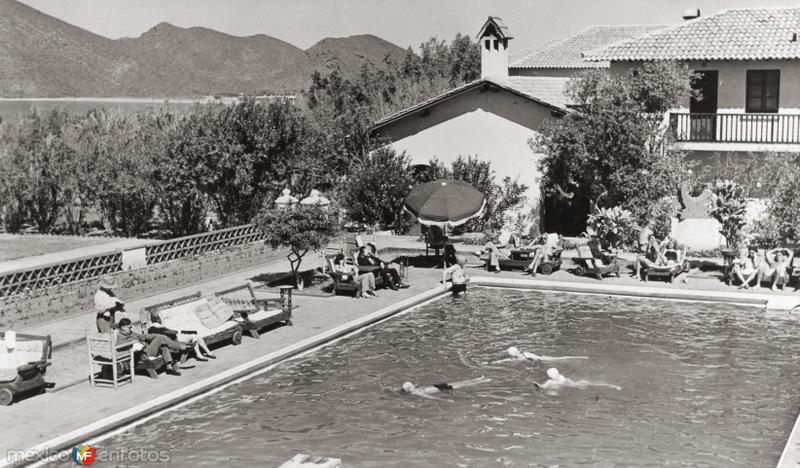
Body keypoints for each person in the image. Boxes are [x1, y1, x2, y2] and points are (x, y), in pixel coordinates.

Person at [115, 318, 190, 376]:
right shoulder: (120, 337)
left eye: (131, 327)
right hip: (141, 355)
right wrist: (135, 343)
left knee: (163, 344)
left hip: (146, 350)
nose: (131, 329)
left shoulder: (131, 333)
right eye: (129, 327)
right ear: (123, 327)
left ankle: (169, 367)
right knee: (161, 339)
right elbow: (121, 347)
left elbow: (144, 336)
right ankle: (179, 346)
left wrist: (156, 335)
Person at [400, 376, 492, 399]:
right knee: (461, 384)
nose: (413, 384)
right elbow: (431, 397)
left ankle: (480, 379)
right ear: (410, 388)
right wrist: (445, 400)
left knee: (461, 383)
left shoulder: (416, 391)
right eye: (412, 385)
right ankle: (481, 380)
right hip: (439, 388)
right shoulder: (417, 392)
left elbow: (431, 397)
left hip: (439, 387)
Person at [532, 368, 621, 391]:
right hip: (577, 383)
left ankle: (613, 386)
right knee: (595, 385)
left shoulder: (550, 381)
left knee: (595, 386)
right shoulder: (560, 376)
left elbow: (542, 387)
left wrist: (536, 384)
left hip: (577, 386)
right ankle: (613, 386)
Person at [498, 346, 589, 363]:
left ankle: (581, 357)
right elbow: (505, 360)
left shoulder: (525, 354)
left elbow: (537, 358)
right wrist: (496, 362)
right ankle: (581, 357)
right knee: (560, 359)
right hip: (540, 359)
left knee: (560, 359)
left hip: (542, 359)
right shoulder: (517, 358)